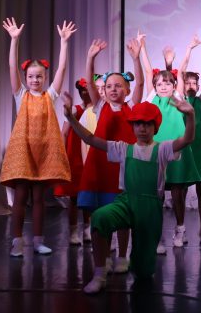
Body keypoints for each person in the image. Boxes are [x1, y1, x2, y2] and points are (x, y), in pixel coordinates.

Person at [63, 95, 195, 294]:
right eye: (138, 124)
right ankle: (100, 274)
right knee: (99, 218)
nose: (142, 128)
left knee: (143, 272)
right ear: (132, 127)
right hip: (126, 201)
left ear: (155, 127)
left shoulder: (162, 149)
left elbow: (187, 139)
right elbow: (90, 139)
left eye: (147, 124)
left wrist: (190, 115)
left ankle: (139, 267)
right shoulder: (123, 148)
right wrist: (71, 119)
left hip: (150, 208)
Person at [0, 17, 76, 257]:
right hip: (23, 153)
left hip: (42, 154)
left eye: (39, 76)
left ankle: (38, 241)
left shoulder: (49, 96)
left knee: (39, 198)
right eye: (31, 76)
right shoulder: (21, 95)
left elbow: (62, 70)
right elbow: (12, 67)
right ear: (26, 78)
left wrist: (64, 43)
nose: (35, 80)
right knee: (21, 197)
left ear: (45, 78)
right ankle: (17, 241)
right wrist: (14, 40)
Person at [78, 37, 144, 273]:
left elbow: (140, 83)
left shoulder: (131, 107)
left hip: (123, 168)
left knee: (124, 216)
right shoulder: (100, 106)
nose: (113, 89)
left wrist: (136, 58)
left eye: (118, 86)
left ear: (126, 90)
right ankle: (104, 257)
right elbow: (89, 82)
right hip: (100, 167)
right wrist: (90, 57)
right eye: (109, 86)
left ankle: (123, 256)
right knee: (100, 215)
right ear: (103, 91)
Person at [140, 33, 201, 251]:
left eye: (167, 83)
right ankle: (157, 235)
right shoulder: (151, 99)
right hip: (156, 151)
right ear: (155, 87)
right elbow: (148, 71)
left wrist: (189, 49)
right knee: (156, 194)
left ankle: (180, 229)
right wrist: (142, 47)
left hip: (178, 150)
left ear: (174, 85)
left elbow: (182, 70)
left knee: (177, 192)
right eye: (159, 84)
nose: (163, 86)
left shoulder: (178, 98)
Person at [177, 39, 201, 245]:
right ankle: (181, 228)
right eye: (188, 82)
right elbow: (179, 72)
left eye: (194, 83)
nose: (191, 86)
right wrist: (188, 49)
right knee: (181, 190)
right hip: (185, 149)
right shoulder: (178, 100)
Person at [54, 77, 92, 245]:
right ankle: (73, 230)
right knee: (75, 197)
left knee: (89, 195)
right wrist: (62, 155)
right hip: (75, 156)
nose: (86, 94)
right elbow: (64, 133)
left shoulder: (98, 110)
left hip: (90, 155)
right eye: (82, 91)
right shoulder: (76, 110)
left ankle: (88, 228)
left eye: (88, 90)